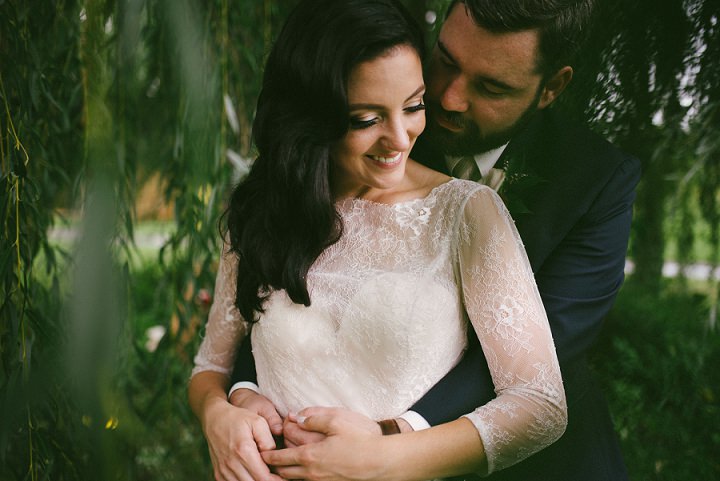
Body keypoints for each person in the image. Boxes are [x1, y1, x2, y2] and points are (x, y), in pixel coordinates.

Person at [231, 1, 641, 480]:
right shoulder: (376, 128)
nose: (447, 98)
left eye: (490, 86)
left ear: (551, 88)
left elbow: (536, 354)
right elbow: (284, 285)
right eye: (445, 60)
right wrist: (237, 394)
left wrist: (391, 438)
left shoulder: (596, 180)